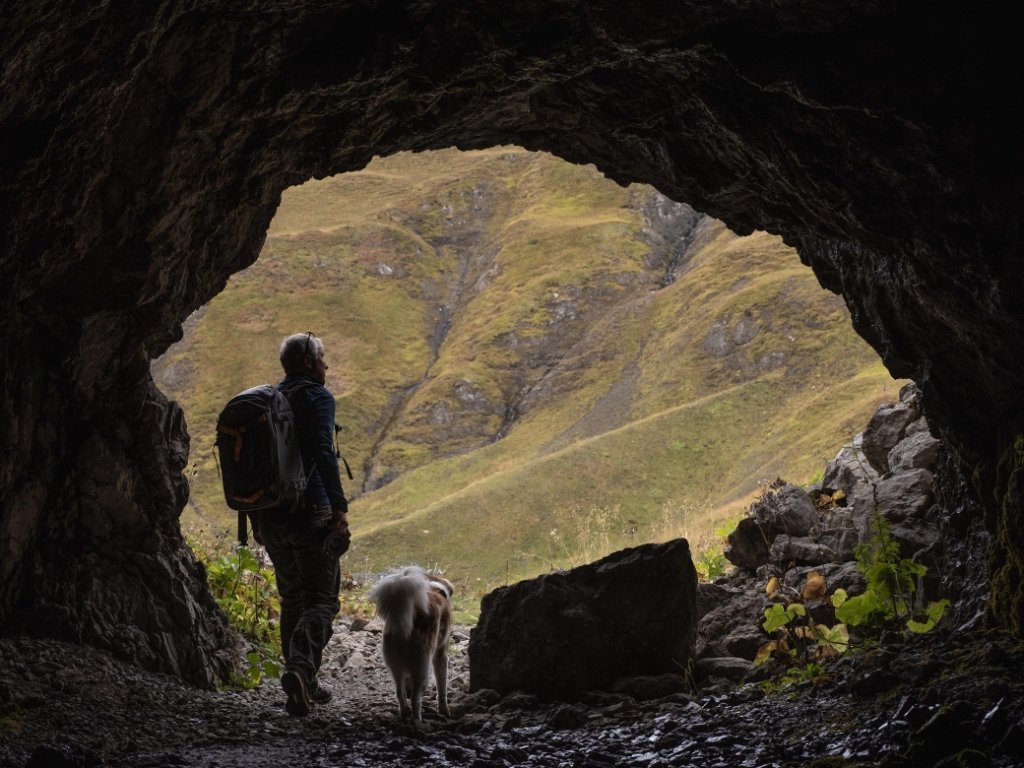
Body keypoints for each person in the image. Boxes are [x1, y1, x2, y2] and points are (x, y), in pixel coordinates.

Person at [253, 331, 350, 716]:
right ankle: (299, 669)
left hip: (269, 517)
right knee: (323, 600)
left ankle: (303, 684)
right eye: (323, 357)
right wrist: (339, 509)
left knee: (292, 598)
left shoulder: (269, 401)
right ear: (309, 361)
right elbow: (323, 453)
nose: (327, 364)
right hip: (311, 514)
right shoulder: (317, 396)